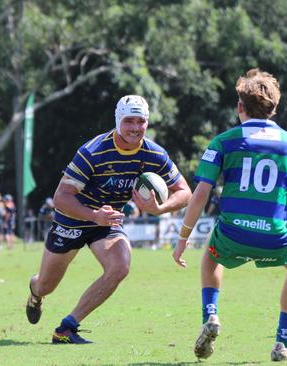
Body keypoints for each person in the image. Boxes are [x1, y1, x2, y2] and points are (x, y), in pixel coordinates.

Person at [172, 69, 287, 362]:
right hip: (276, 236)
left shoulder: (224, 141)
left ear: (240, 107)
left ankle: (211, 316)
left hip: (233, 233)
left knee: (212, 255)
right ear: (274, 109)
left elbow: (200, 194)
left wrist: (183, 238)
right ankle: (281, 343)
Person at [25, 95, 192, 344]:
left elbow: (185, 191)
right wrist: (94, 215)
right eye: (129, 121)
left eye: (141, 121)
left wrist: (159, 209)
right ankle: (35, 292)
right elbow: (61, 197)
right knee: (46, 285)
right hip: (72, 219)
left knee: (120, 266)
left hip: (108, 222)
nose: (136, 128)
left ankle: (66, 329)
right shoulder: (93, 151)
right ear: (118, 121)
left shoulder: (153, 153)